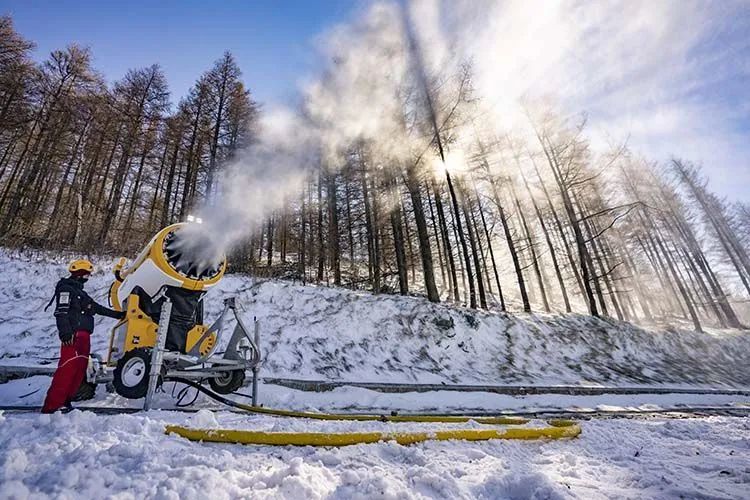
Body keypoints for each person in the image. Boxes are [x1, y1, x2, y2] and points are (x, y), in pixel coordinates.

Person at [42, 259, 125, 413]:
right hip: (73, 335)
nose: (88, 278)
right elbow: (61, 311)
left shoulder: (81, 293)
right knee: (67, 369)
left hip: (85, 336)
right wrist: (65, 332)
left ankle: (66, 401)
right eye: (86, 275)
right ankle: (51, 406)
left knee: (79, 370)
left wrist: (120, 315)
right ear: (79, 274)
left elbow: (97, 308)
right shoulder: (66, 289)